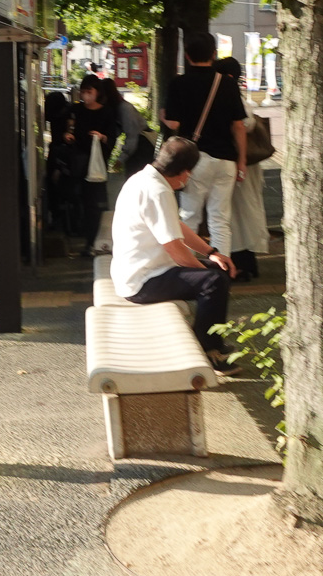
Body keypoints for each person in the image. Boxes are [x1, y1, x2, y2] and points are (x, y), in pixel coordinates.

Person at [111, 136, 236, 367]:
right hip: (142, 281)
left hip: (141, 271)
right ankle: (208, 351)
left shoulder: (144, 179)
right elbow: (175, 249)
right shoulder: (157, 191)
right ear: (185, 172)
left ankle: (211, 341)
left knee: (220, 270)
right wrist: (205, 273)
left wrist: (212, 253)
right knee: (213, 282)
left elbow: (177, 226)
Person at [159, 30, 249, 256]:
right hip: (226, 160)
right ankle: (223, 270)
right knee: (220, 219)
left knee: (190, 216)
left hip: (194, 160)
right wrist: (242, 162)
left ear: (187, 56)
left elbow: (173, 123)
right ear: (214, 53)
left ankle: (190, 270)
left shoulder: (179, 84)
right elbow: (238, 126)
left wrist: (162, 116)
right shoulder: (227, 84)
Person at [212, 56, 268, 280]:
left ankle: (242, 263)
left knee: (238, 213)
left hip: (238, 162)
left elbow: (245, 123)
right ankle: (245, 262)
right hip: (243, 163)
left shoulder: (230, 95)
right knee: (239, 212)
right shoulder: (234, 94)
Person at [66, 75, 122, 256]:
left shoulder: (106, 112)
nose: (85, 96)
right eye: (83, 92)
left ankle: (92, 242)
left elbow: (111, 138)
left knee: (93, 204)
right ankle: (81, 237)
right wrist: (67, 134)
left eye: (89, 92)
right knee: (78, 200)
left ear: (97, 92)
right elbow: (66, 127)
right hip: (77, 163)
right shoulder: (76, 109)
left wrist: (102, 137)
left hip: (96, 165)